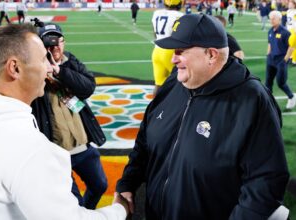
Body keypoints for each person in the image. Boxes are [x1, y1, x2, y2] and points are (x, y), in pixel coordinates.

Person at [0, 24, 128, 219]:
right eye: (42, 59)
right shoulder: (29, 149)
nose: (48, 67)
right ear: (15, 68)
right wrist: (119, 210)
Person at [116, 14, 289, 219]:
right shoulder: (174, 83)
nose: (173, 58)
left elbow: (265, 181)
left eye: (181, 51)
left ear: (211, 55)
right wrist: (128, 180)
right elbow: (145, 140)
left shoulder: (252, 101)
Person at [31, 23, 108, 210]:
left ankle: (86, 213)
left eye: (58, 40)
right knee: (73, 203)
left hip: (82, 144)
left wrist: (60, 71)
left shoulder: (70, 61)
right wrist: (42, 68)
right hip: (57, 153)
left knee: (99, 185)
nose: (55, 46)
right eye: (49, 41)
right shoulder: (33, 69)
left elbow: (88, 87)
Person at [151, 0, 183, 96]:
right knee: (182, 84)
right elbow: (181, 35)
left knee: (158, 84)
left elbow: (154, 34)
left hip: (157, 50)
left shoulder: (156, 13)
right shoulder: (180, 15)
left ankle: (153, 109)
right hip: (171, 52)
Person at [267, 10, 296, 109]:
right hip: (271, 60)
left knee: (281, 83)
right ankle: (268, 102)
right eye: (270, 19)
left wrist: (285, 60)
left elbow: (291, 47)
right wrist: (268, 55)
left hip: (281, 61)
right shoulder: (270, 31)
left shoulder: (285, 32)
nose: (271, 20)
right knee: (268, 83)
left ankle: (292, 97)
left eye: (273, 18)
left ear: (279, 19)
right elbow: (269, 43)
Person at [286, 0, 296, 65]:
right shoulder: (288, 11)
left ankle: (294, 61)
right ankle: (291, 57)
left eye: (290, 4)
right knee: (289, 45)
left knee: (293, 46)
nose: (289, 5)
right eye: (289, 4)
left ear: (294, 5)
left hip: (294, 30)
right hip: (288, 30)